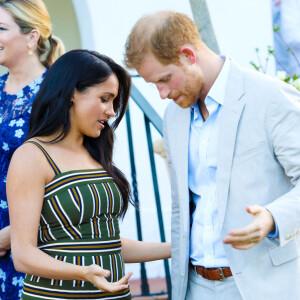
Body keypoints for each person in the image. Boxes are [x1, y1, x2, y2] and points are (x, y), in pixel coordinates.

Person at [124, 11, 300, 300]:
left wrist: (271, 217)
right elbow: (183, 207)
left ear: (188, 55)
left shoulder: (271, 98)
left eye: (165, 79)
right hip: (195, 286)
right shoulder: (173, 117)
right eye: (153, 84)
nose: (162, 93)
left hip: (261, 286)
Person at [7, 49, 171, 300]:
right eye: (104, 99)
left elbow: (108, 244)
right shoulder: (32, 156)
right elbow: (23, 255)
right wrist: (82, 272)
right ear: (73, 93)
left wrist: (177, 248)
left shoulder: (95, 153)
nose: (112, 111)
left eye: (114, 101)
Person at [0, 0, 64, 298]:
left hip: (34, 244)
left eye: (1, 28)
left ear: (32, 37)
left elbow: (67, 176)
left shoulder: (55, 94)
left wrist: (10, 236)